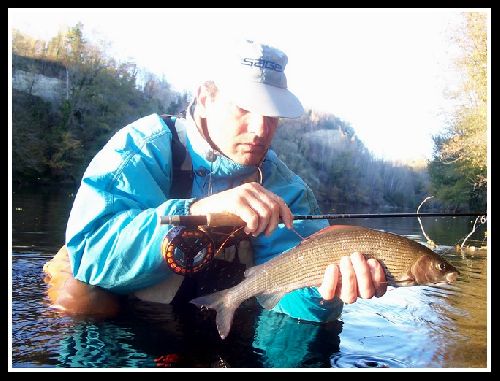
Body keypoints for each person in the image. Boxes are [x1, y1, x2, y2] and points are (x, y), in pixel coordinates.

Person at [43, 39, 387, 326]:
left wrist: (324, 293)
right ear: (206, 98)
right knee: (82, 298)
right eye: (245, 108)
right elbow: (91, 255)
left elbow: (288, 302)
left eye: (271, 115)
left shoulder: (288, 189)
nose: (260, 129)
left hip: (208, 304)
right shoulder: (142, 149)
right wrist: (197, 211)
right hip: (113, 287)